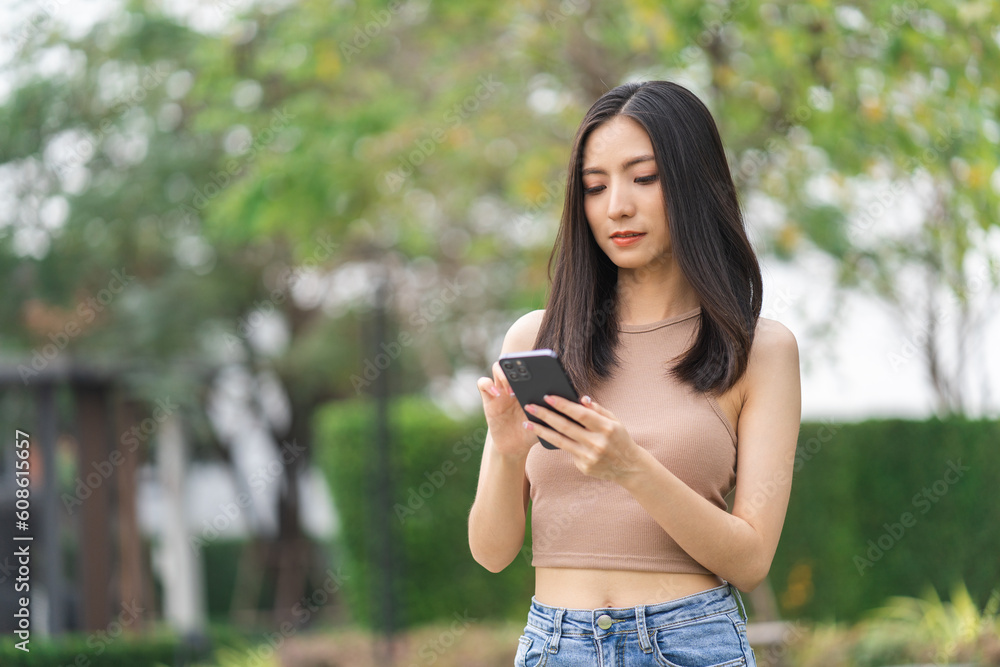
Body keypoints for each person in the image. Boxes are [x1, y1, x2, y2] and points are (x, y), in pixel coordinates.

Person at [468, 80, 801, 666]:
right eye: (595, 186)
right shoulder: (537, 338)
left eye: (643, 178)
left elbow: (750, 562)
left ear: (694, 182)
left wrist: (631, 467)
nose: (617, 205)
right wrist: (506, 450)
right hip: (554, 645)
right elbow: (492, 552)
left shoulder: (759, 348)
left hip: (691, 643)